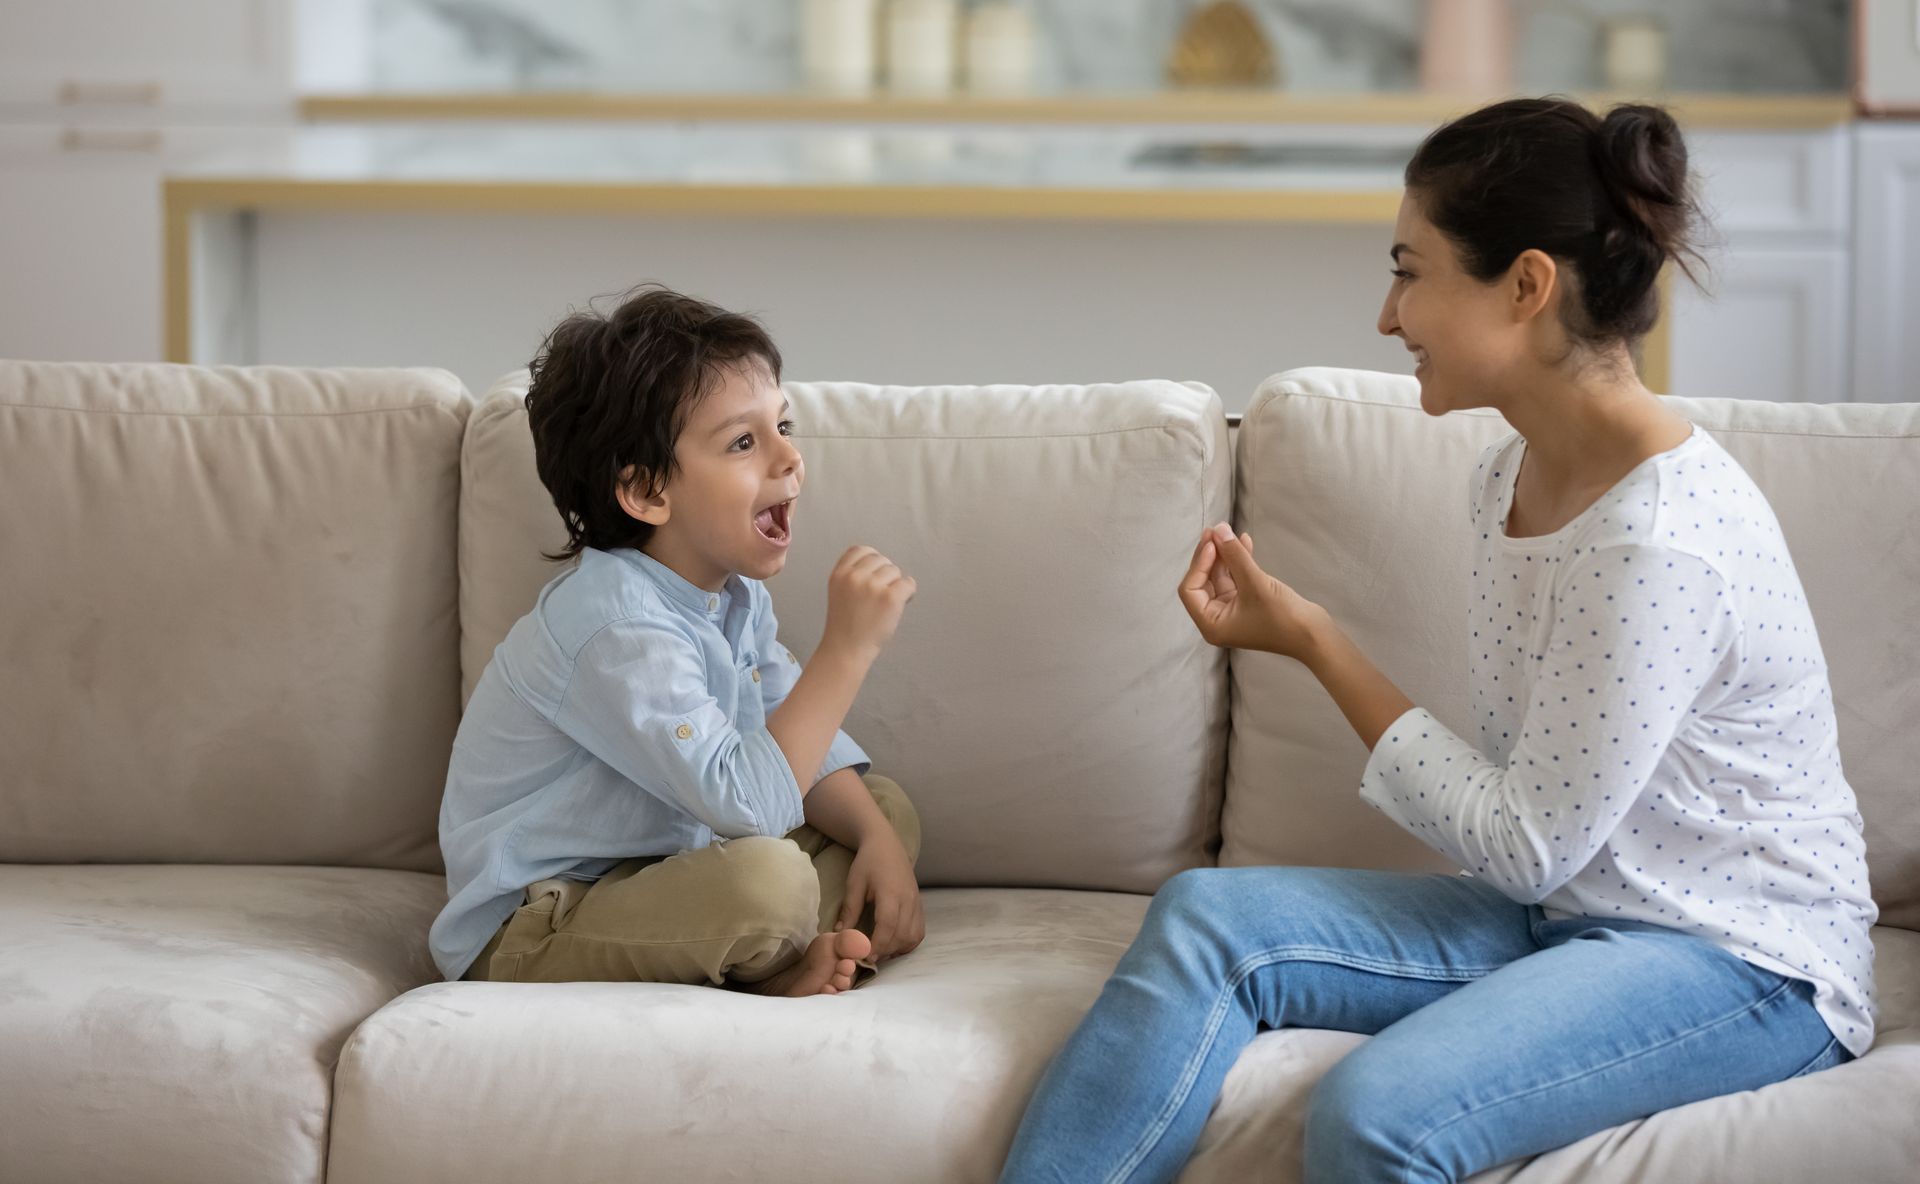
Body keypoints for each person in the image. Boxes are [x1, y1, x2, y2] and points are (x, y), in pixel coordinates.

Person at [998, 99, 1877, 1183]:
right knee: (1209, 920)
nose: (1385, 314)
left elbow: (1521, 839)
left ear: (1525, 285)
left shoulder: (1661, 544)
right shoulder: (1506, 476)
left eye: (1411, 271)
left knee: (1378, 1113)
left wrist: (1317, 639)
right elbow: (1542, 851)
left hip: (1742, 958)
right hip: (1564, 911)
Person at [429, 286, 924, 997]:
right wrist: (847, 651)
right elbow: (748, 803)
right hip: (537, 927)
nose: (789, 458)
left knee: (881, 810)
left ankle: (777, 958)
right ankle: (774, 961)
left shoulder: (735, 594)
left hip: (663, 880)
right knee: (769, 879)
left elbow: (796, 751)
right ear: (647, 492)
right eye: (744, 443)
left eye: (783, 425)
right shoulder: (615, 624)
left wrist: (877, 840)